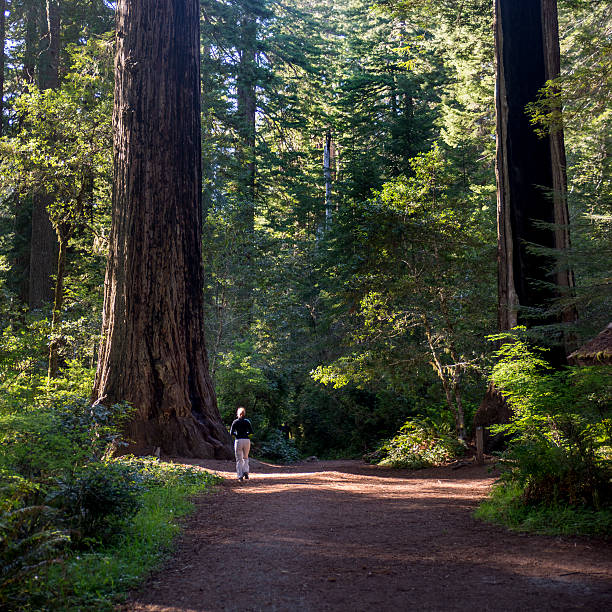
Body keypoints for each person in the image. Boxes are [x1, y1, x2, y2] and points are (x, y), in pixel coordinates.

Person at [230, 407, 253, 481]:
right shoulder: (247, 421)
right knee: (245, 457)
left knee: (239, 459)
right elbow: (251, 432)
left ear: (237, 414)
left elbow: (231, 433)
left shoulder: (235, 422)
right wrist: (246, 433)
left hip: (238, 440)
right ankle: (246, 472)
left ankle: (240, 476)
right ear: (244, 413)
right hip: (246, 440)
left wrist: (236, 434)